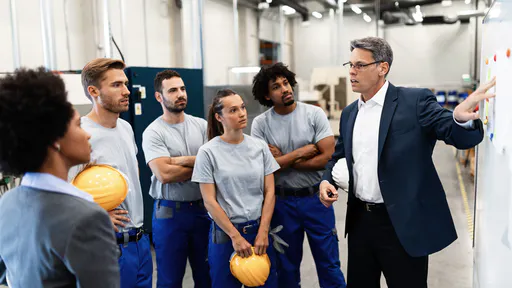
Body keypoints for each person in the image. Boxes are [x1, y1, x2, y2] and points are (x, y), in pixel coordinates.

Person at [319, 36, 496, 288]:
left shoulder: (414, 102)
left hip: (401, 225)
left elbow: (452, 132)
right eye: (350, 65)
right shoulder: (350, 113)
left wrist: (457, 117)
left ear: (382, 68)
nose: (352, 71)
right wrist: (326, 180)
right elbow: (338, 156)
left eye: (360, 65)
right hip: (360, 223)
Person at [0, 67, 119, 287]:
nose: (87, 134)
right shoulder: (86, 218)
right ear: (55, 139)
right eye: (77, 125)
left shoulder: (7, 203)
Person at [251, 62, 346, 288]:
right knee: (286, 268)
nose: (284, 89)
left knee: (329, 264)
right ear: (267, 94)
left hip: (317, 201)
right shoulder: (260, 124)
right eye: (276, 86)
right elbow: (263, 168)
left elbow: (327, 158)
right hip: (281, 204)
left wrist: (283, 159)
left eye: (286, 83)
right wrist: (302, 152)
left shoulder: (314, 114)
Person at [72, 58, 153, 288]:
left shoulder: (126, 128)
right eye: (116, 85)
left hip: (140, 241)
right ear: (93, 90)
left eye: (126, 84)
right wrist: (98, 216)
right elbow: (63, 197)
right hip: (107, 246)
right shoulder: (81, 135)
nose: (126, 91)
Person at [191, 89, 280, 288]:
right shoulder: (208, 153)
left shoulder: (259, 147)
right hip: (225, 236)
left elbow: (270, 192)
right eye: (233, 110)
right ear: (218, 117)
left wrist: (263, 231)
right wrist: (235, 236)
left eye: (242, 107)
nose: (241, 113)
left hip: (259, 233)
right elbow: (209, 201)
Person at [142, 70, 211, 287]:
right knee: (169, 280)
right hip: (170, 214)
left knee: (207, 276)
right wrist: (201, 163)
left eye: (182, 89)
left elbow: (216, 164)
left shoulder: (202, 126)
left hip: (203, 211)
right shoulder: (153, 132)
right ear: (158, 97)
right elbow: (164, 174)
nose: (180, 94)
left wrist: (177, 160)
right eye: (172, 90)